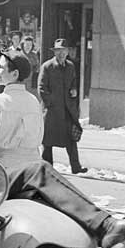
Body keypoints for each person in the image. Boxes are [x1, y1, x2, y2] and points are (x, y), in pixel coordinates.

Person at [0, 50, 125, 248]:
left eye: (1, 67)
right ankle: (107, 228)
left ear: (14, 74)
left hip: (6, 175)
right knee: (56, 189)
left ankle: (109, 230)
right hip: (28, 172)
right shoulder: (33, 101)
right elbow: (37, 138)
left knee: (51, 184)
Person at [40, 38, 85, 173]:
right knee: (48, 141)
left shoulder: (70, 66)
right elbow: (41, 88)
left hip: (66, 110)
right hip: (52, 111)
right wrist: (50, 103)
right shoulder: (47, 66)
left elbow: (73, 83)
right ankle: (48, 168)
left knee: (71, 139)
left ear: (67, 52)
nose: (61, 54)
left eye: (63, 51)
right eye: (58, 51)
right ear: (55, 52)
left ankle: (76, 167)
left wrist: (74, 91)